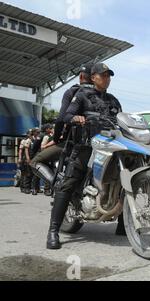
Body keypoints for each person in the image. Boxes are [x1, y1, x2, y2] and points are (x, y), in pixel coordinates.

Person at [46, 62, 123, 250]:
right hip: (85, 147)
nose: (107, 79)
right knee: (69, 183)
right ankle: (53, 231)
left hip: (110, 147)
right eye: (103, 75)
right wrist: (76, 118)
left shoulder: (113, 100)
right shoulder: (81, 96)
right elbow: (66, 115)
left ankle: (123, 225)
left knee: (121, 181)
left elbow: (123, 120)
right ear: (94, 77)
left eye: (109, 76)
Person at [31, 63, 94, 196]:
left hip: (71, 142)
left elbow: (60, 119)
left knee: (35, 161)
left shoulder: (73, 91)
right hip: (94, 143)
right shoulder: (100, 95)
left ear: (81, 76)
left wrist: (57, 138)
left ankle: (56, 184)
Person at [18, 130, 33, 194]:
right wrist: (19, 158)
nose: (31, 135)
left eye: (31, 134)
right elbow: (20, 150)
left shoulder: (32, 140)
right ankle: (23, 187)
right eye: (30, 134)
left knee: (28, 174)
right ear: (27, 134)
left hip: (30, 159)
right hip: (24, 159)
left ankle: (27, 187)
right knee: (24, 174)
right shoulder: (24, 140)